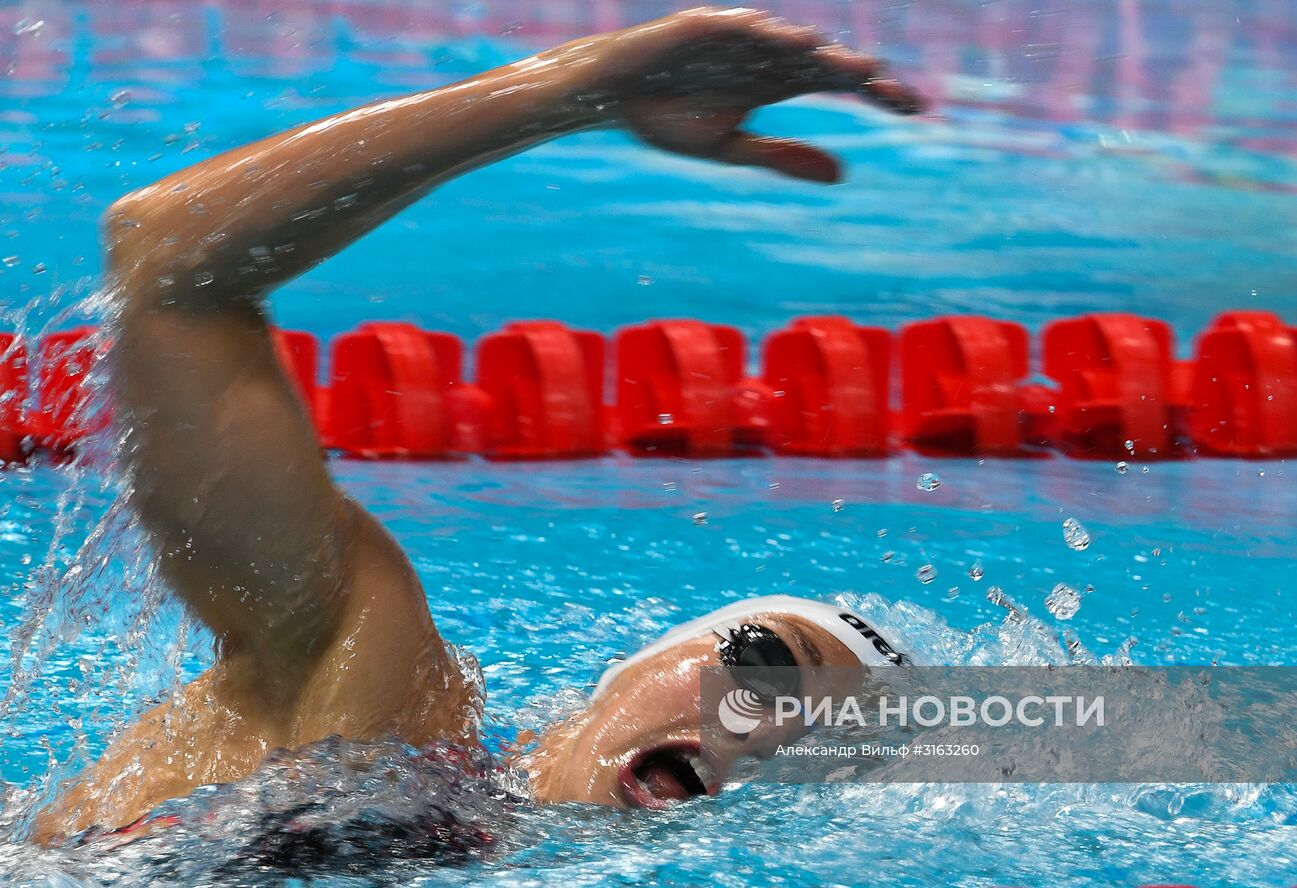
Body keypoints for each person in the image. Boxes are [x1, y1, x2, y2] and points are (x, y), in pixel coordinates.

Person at [31, 6, 922, 844]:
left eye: (821, 758)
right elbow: (170, 271)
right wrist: (575, 90)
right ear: (629, 674)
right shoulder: (379, 710)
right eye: (767, 666)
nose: (764, 731)